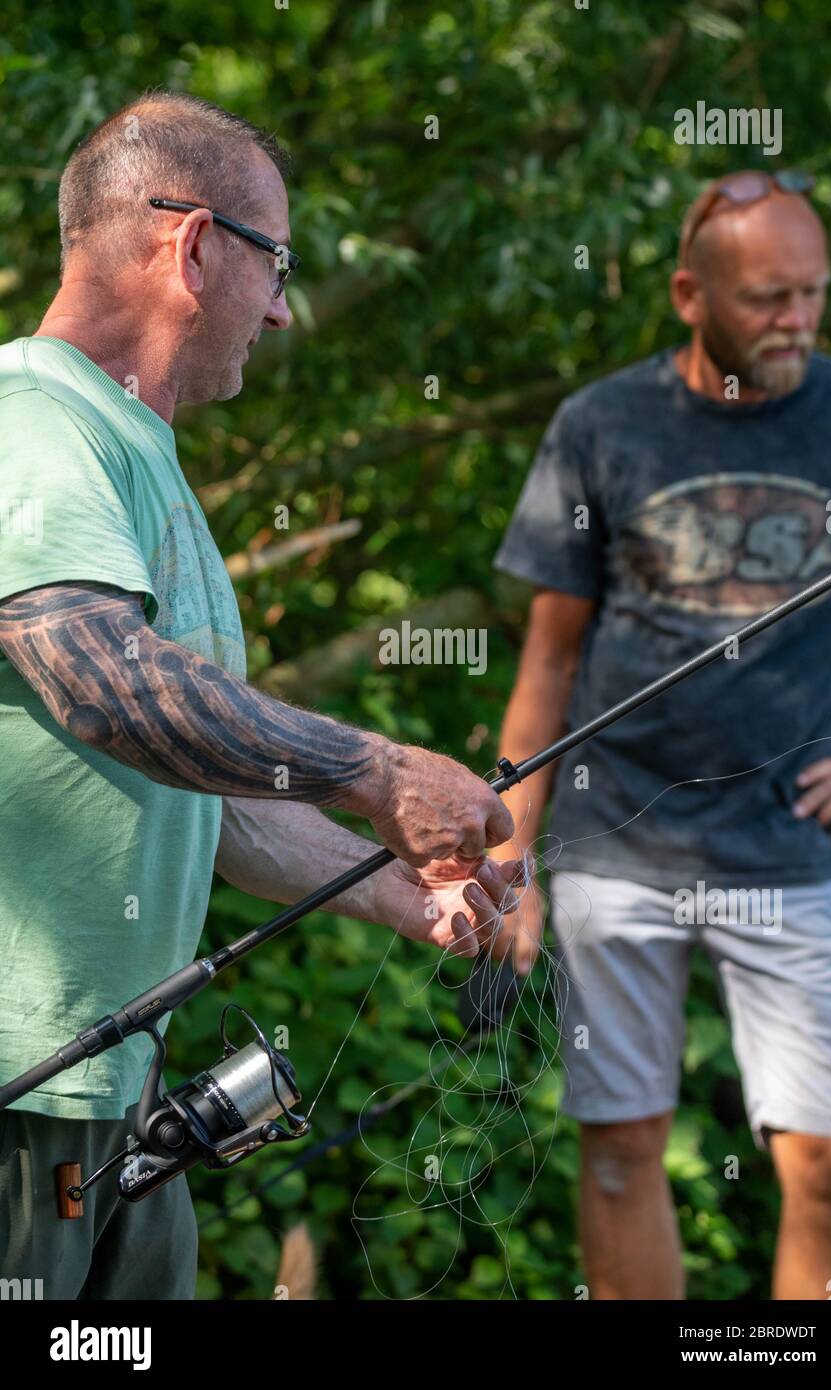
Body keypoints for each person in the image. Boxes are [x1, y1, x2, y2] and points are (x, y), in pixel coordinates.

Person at [0, 91, 525, 1300]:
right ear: (194, 248)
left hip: (123, 1096)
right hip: (29, 1093)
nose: (284, 306)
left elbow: (214, 800)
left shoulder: (143, 463)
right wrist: (383, 772)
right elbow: (108, 686)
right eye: (275, 264)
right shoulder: (32, 419)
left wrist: (402, 886)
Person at [489, 170, 831, 1299]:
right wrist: (510, 846)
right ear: (687, 296)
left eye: (811, 295)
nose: (795, 322)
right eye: (766, 300)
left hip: (786, 845)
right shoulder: (601, 427)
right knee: (616, 1151)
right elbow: (549, 658)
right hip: (615, 841)